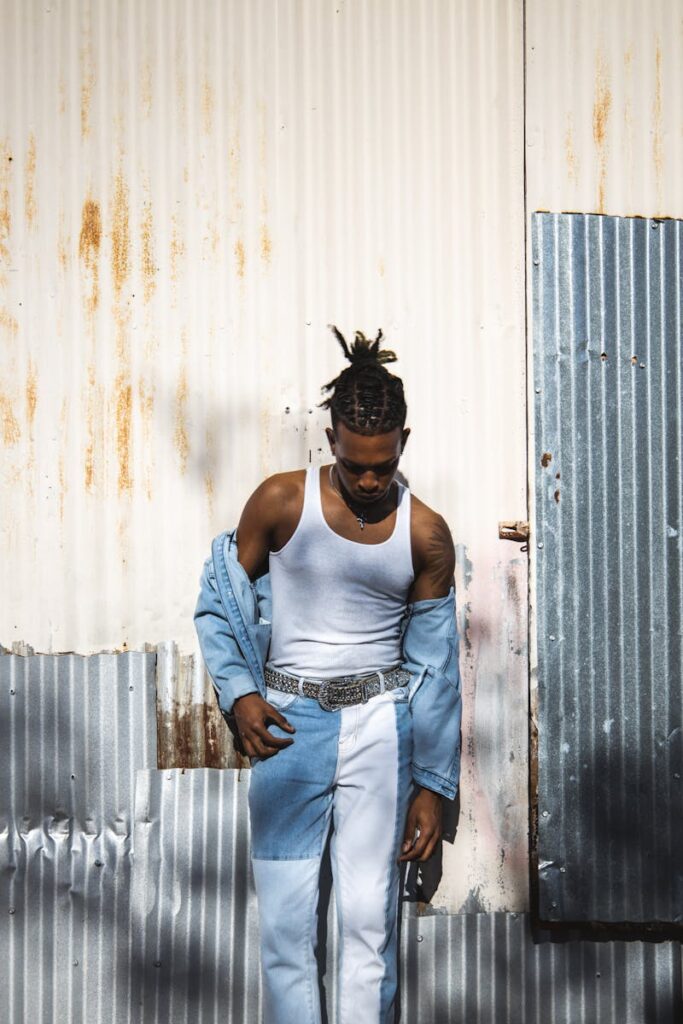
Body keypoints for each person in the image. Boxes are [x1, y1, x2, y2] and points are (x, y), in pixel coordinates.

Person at [194, 327, 462, 1024]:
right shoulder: (282, 502)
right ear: (331, 439)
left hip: (380, 728)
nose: (369, 481)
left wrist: (431, 785)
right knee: (286, 929)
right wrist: (241, 692)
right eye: (354, 465)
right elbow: (217, 600)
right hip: (289, 726)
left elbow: (435, 668)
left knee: (367, 925)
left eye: (382, 464)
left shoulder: (425, 533)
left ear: (404, 439)